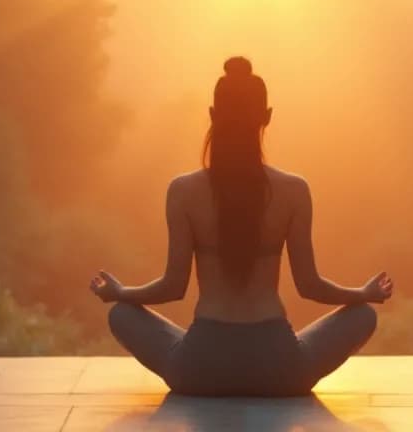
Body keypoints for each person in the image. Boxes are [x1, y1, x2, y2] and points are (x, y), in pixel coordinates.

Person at [89, 56, 394, 397]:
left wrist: (121, 293)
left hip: (200, 369)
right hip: (280, 370)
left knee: (121, 314)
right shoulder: (293, 191)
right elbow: (310, 286)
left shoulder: (183, 191)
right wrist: (362, 294)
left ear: (212, 114)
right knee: (363, 316)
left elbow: (172, 287)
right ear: (267, 116)